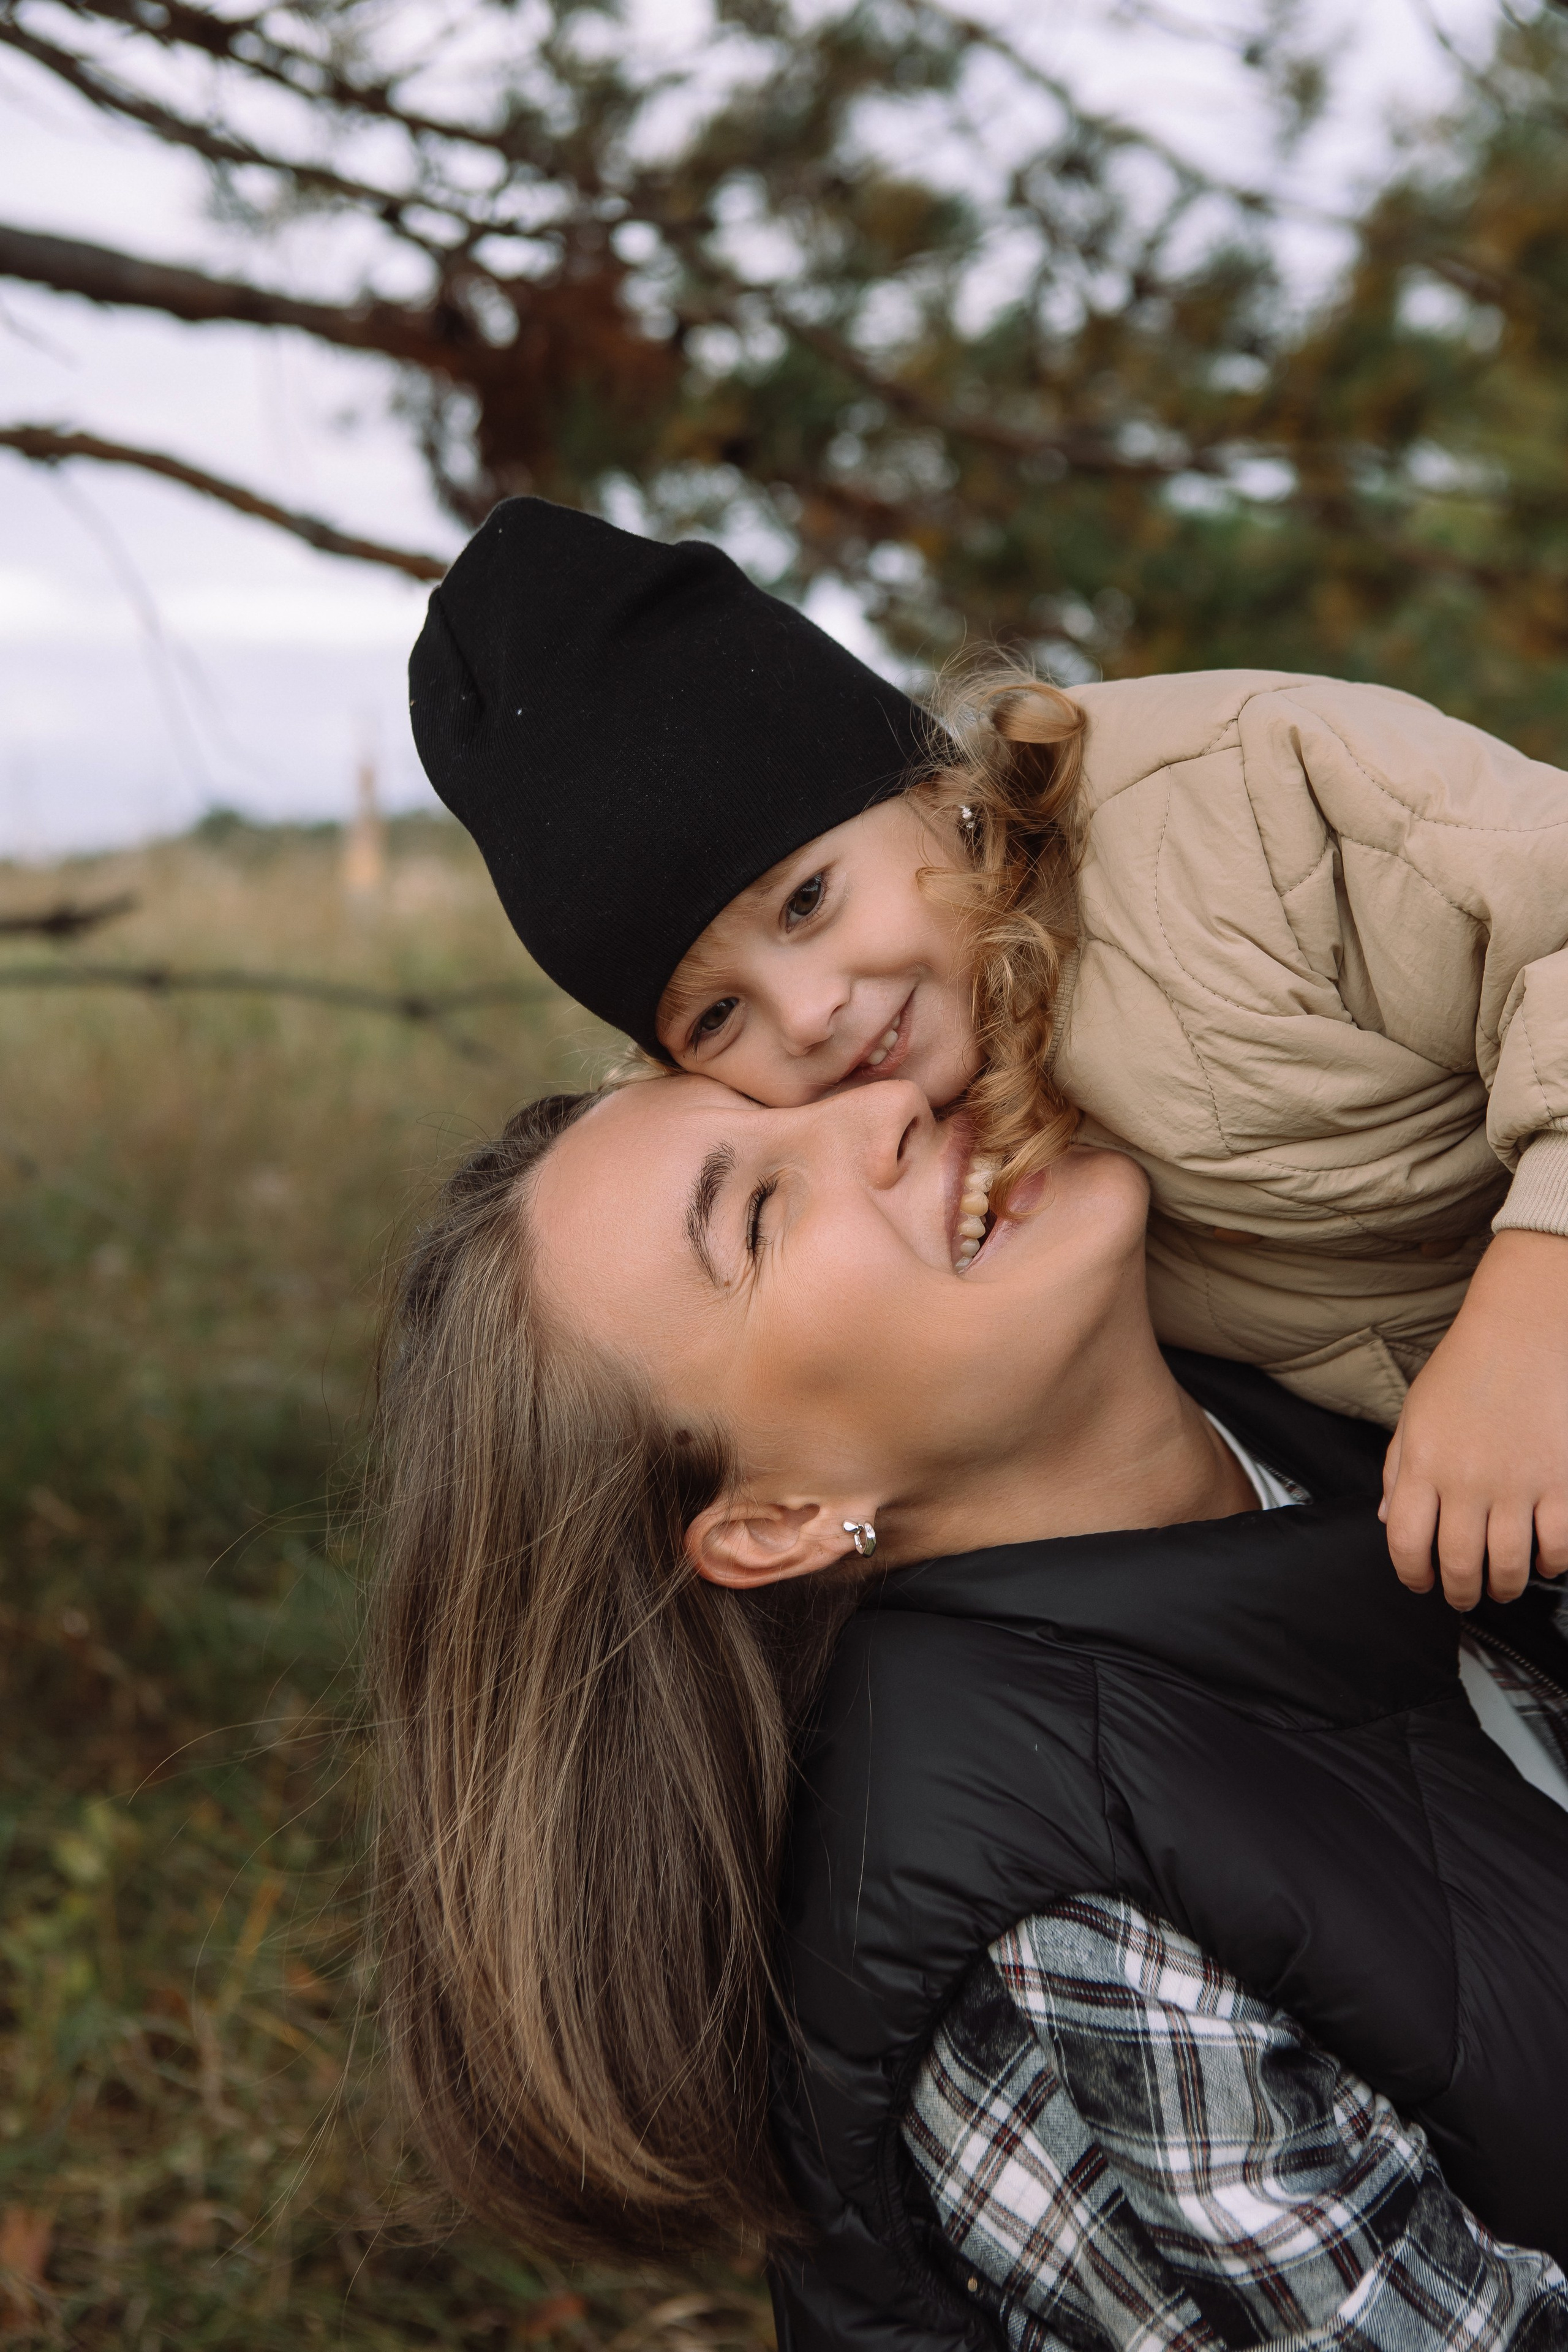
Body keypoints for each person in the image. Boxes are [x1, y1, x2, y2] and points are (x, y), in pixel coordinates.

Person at [368, 1069, 1568, 2352]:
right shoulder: (1039, 1944)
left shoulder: (1358, 1376)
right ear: (773, 1523)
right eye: (760, 1215)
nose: (883, 1108)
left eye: (806, 1090)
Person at [407, 498, 1568, 1613]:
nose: (808, 1015)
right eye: (716, 1018)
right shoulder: (962, 1170)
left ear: (931, 784)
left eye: (807, 901)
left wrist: (1537, 1303)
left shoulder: (1229, 811)